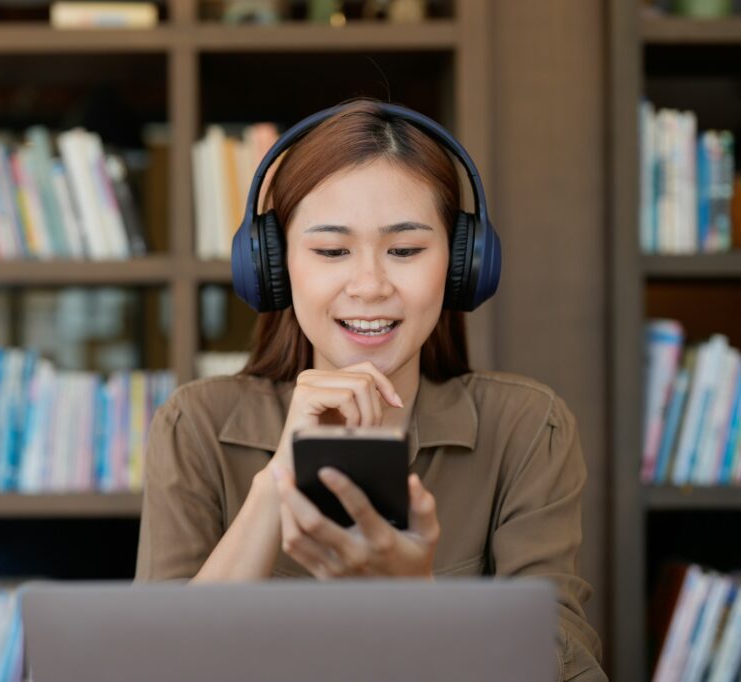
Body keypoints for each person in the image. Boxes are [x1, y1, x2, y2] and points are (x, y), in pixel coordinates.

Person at [135, 98, 606, 681]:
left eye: (405, 250)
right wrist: (279, 480)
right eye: (331, 251)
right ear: (275, 267)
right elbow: (154, 667)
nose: (369, 285)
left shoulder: (529, 428)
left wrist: (415, 600)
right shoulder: (197, 424)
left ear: (462, 266)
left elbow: (569, 670)